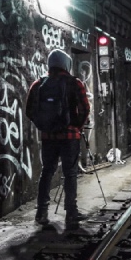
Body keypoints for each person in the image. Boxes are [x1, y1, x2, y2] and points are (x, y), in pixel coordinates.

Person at [26, 49, 91, 229]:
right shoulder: (75, 83)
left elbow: (29, 111)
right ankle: (71, 213)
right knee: (70, 174)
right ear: (66, 64)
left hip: (48, 137)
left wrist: (43, 126)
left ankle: (41, 213)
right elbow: (85, 108)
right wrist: (76, 126)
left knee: (47, 171)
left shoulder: (38, 84)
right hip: (70, 137)